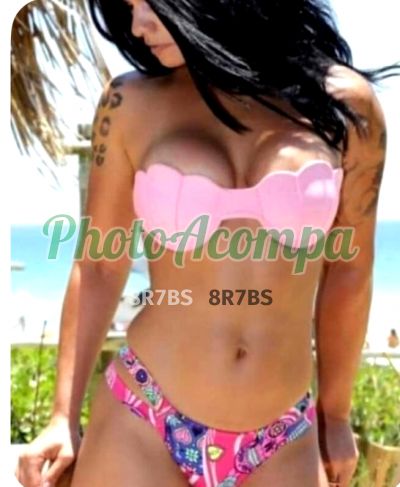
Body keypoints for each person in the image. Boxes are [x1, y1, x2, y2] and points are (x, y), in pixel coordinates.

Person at [15, 1, 400, 486]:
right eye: (127, 6)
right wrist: (61, 417)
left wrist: (335, 413)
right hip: (145, 414)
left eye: (148, 3)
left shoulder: (346, 107)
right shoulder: (131, 102)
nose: (137, 25)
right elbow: (99, 266)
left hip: (283, 433)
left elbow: (349, 270)